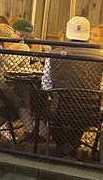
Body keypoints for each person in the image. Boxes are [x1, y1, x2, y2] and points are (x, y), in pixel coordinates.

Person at [42, 17, 103, 155]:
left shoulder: (54, 53)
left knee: (43, 106)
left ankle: (64, 147)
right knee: (80, 113)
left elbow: (46, 84)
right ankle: (71, 146)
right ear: (87, 34)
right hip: (89, 111)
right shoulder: (100, 56)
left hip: (59, 110)